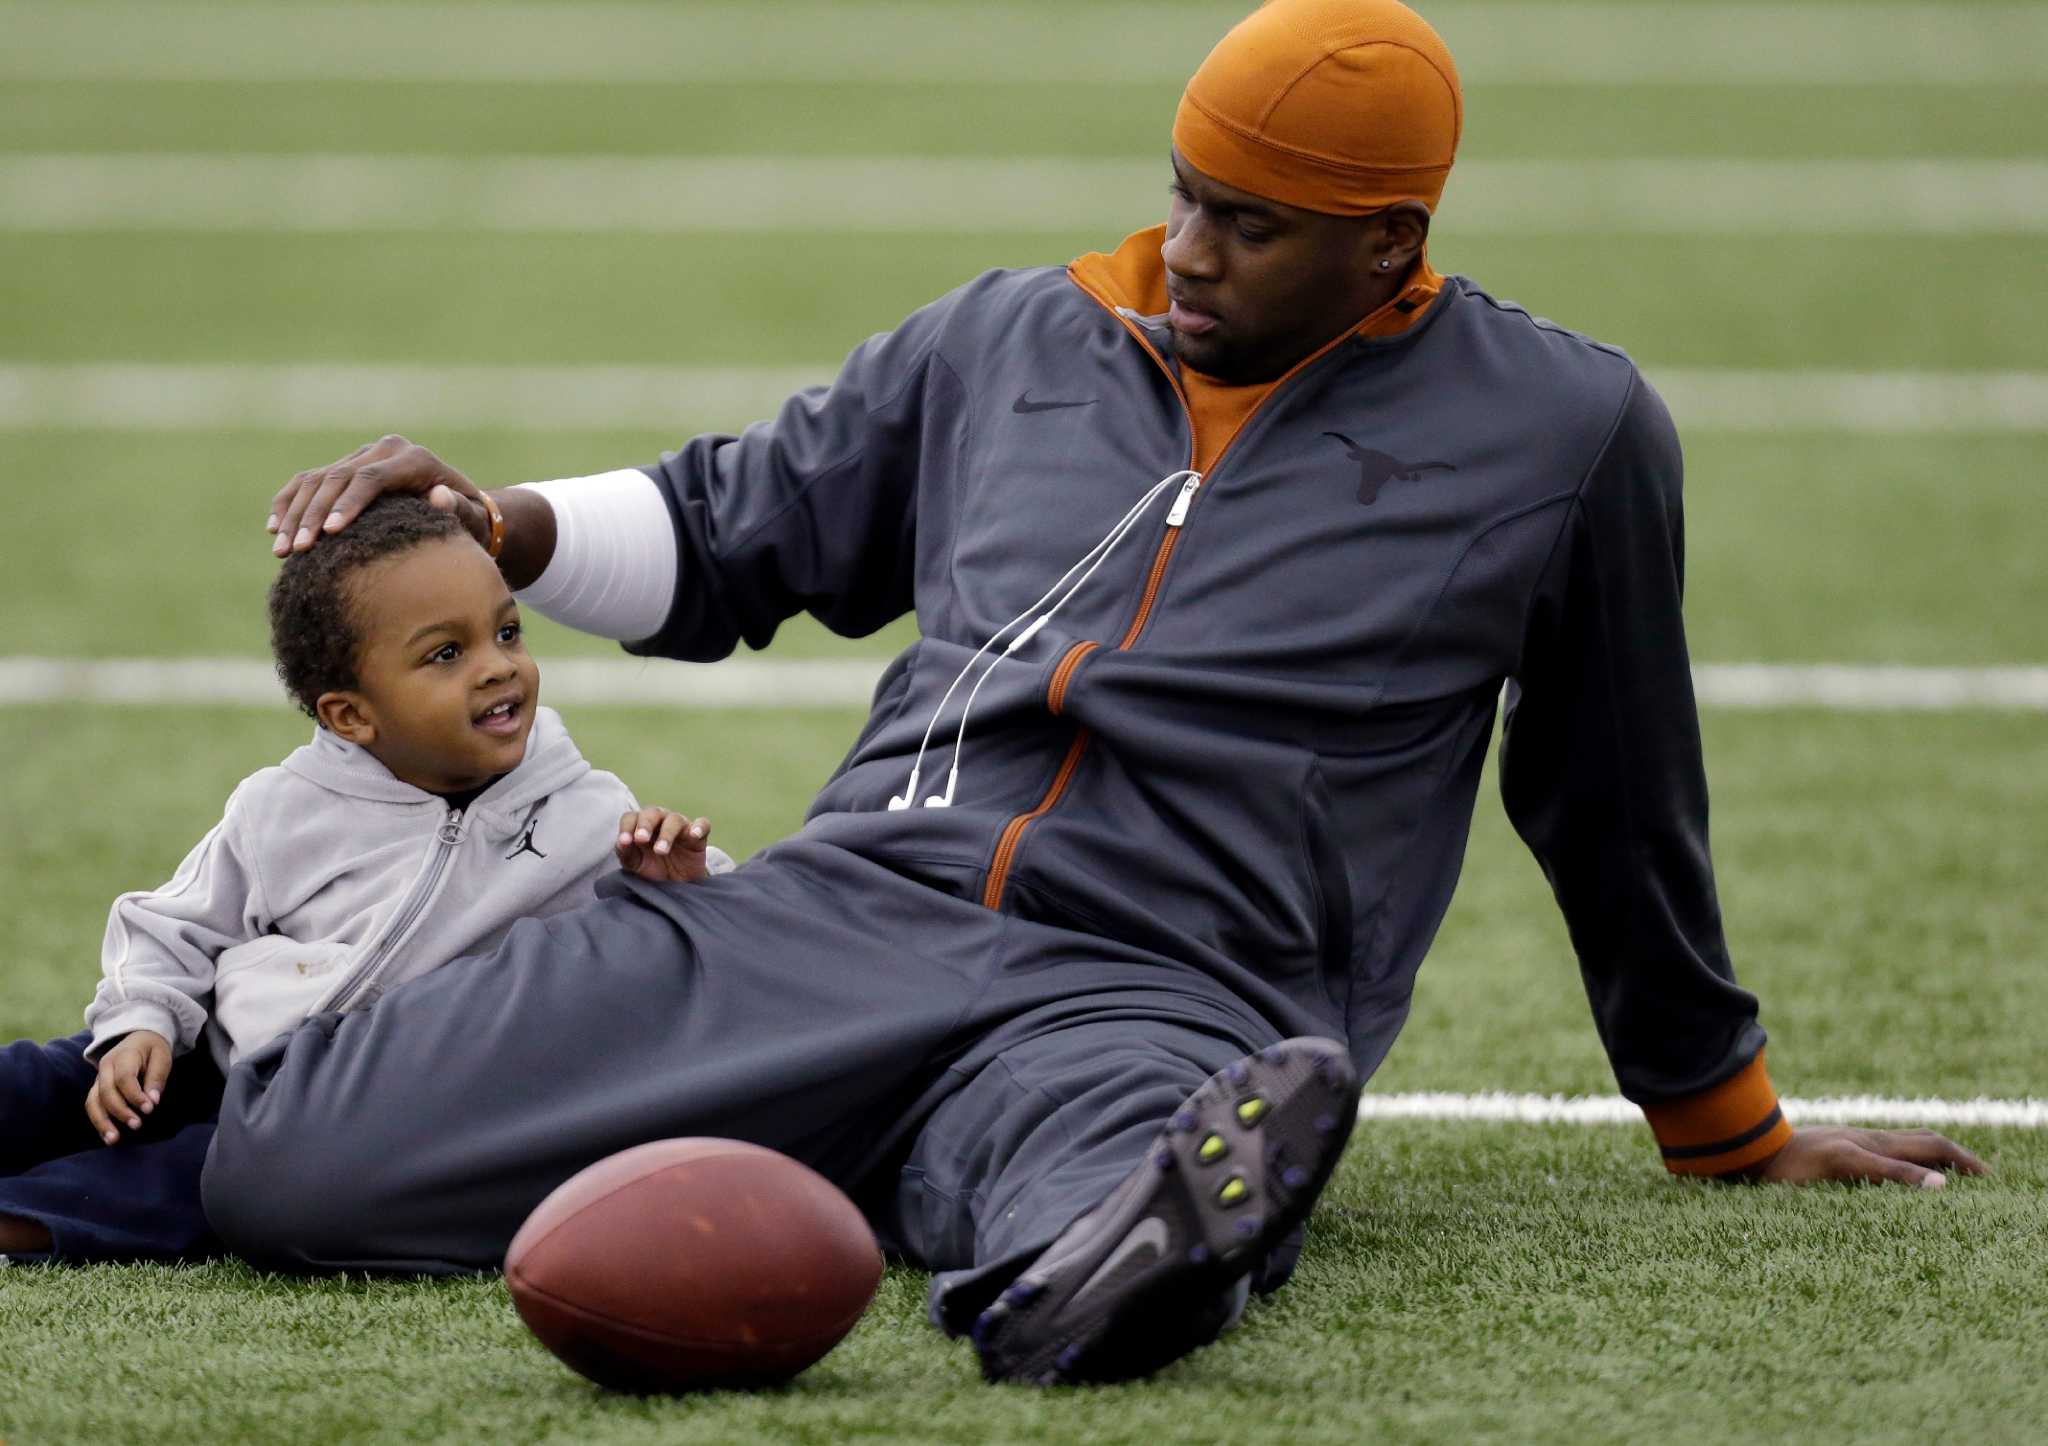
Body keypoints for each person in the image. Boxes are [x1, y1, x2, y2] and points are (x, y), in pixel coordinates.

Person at [231, 0, 1983, 1385]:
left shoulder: (1563, 431)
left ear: (1388, 243)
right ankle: (900, 1165)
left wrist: (1721, 1124)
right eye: (1183, 195)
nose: (1192, 248)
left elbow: (1611, 794)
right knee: (294, 1166)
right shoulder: (1016, 335)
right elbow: (733, 527)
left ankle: (1081, 1259)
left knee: (1117, 1172)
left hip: (1157, 980)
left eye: (1251, 224)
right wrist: (498, 522)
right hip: (835, 914)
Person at [0, 497, 727, 1266]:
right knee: (48, 1082)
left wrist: (675, 884)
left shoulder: (588, 812)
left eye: (507, 632)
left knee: (174, 1186)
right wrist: (141, 1021)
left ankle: (21, 1223)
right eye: (446, 654)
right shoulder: (284, 805)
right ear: (351, 716)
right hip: (219, 1049)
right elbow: (176, 924)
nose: (499, 666)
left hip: (347, 1113)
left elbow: (691, 961)